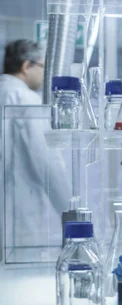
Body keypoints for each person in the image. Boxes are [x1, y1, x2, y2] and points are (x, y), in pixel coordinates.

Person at [0, 39, 71, 249]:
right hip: (18, 214)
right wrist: (69, 211)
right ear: (25, 66)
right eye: (42, 67)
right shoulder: (24, 98)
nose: (43, 74)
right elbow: (46, 159)